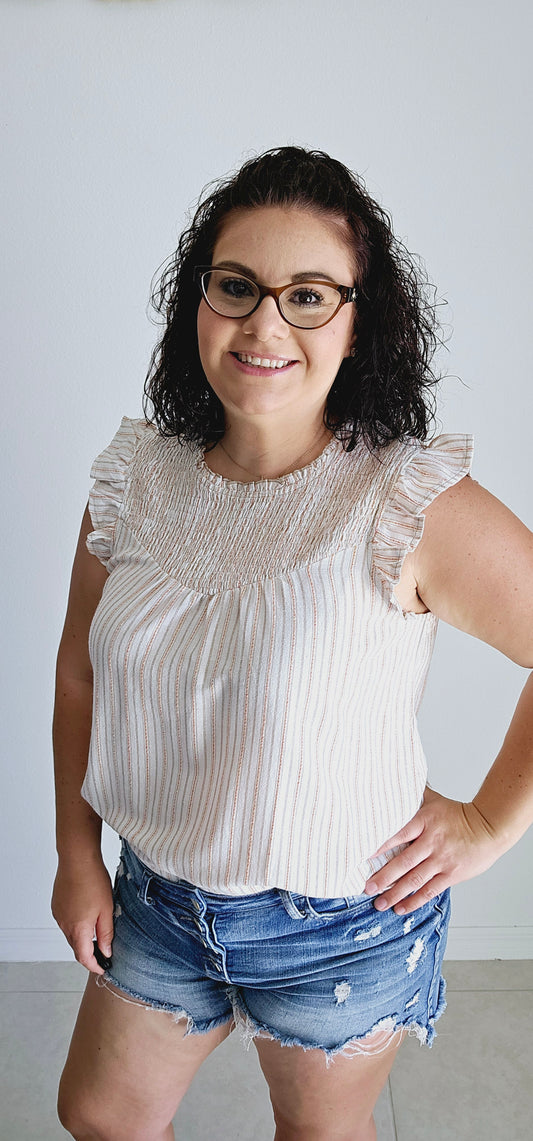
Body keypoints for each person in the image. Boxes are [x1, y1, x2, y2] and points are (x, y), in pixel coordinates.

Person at [52, 146, 533, 1141]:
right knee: (100, 1117)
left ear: (359, 324)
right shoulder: (133, 477)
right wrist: (75, 852)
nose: (263, 323)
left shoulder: (409, 499)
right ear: (198, 302)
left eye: (307, 295)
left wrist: (489, 823)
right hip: (156, 899)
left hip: (341, 928)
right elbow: (77, 673)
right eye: (235, 287)